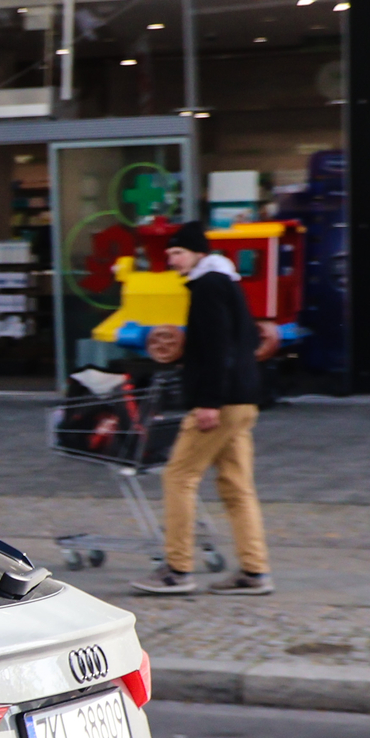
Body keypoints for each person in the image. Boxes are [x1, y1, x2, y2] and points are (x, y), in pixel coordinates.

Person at [134, 224, 271, 596]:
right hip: (242, 398)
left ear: (196, 252)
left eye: (177, 253)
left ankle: (177, 569)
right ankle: (254, 571)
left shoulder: (209, 286)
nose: (171, 259)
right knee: (237, 487)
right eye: (169, 254)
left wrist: (208, 401)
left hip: (220, 402)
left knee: (178, 476)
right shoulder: (227, 282)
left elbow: (217, 350)